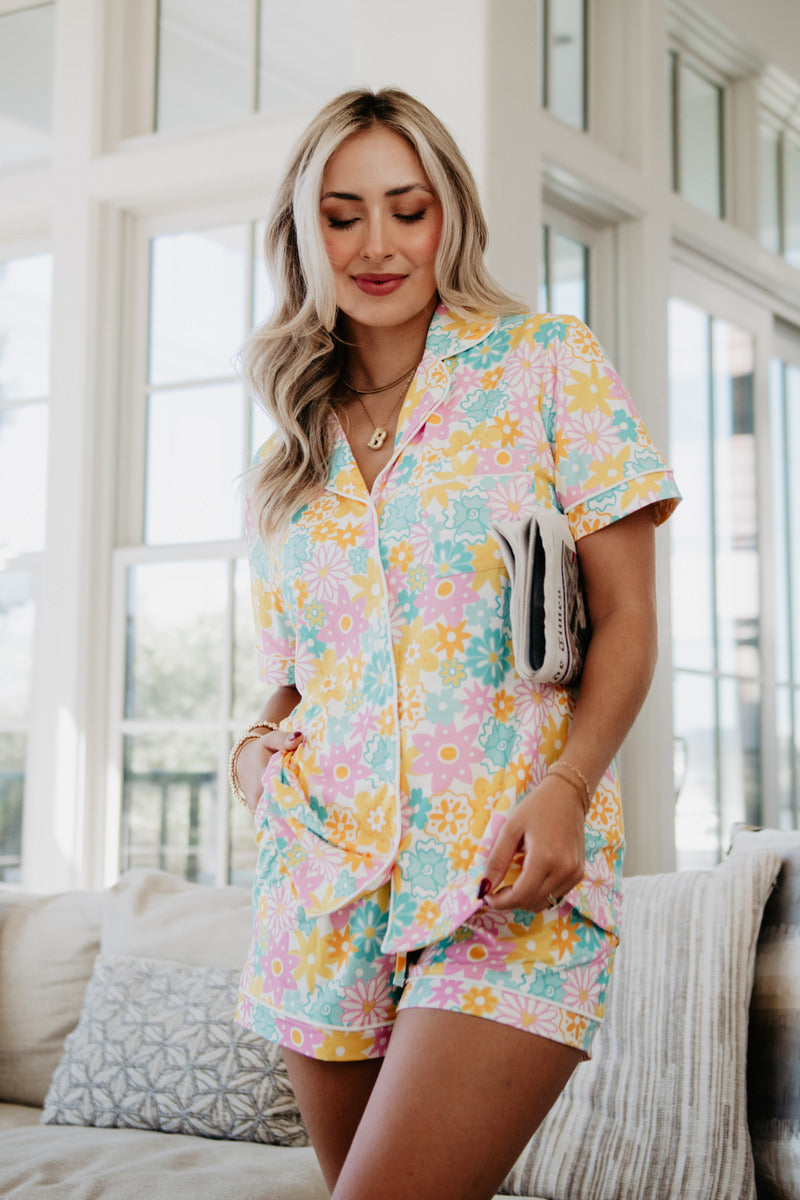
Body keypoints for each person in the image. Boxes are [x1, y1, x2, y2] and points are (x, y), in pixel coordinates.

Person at [229, 88, 680, 1200]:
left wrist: (569, 785)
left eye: (406, 208)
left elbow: (624, 615)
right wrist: (251, 742)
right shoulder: (287, 448)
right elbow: (298, 670)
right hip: (323, 888)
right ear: (302, 231)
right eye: (341, 215)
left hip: (506, 876)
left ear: (450, 220)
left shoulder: (542, 364)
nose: (377, 244)